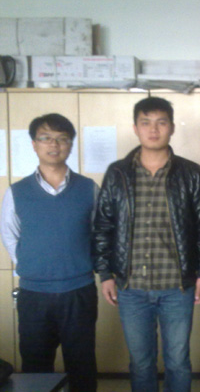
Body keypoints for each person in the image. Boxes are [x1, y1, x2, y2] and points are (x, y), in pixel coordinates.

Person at [92, 96, 200, 392]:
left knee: (178, 361)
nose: (153, 130)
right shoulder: (118, 173)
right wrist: (105, 274)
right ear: (135, 128)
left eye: (161, 122)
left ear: (172, 127)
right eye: (146, 123)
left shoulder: (190, 172)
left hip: (177, 287)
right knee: (141, 363)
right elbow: (103, 226)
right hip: (131, 287)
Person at [0, 113, 98, 392]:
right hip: (34, 294)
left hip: (78, 291)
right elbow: (10, 234)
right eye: (45, 138)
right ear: (34, 144)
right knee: (35, 366)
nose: (53, 145)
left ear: (70, 145)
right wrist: (31, 266)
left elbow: (98, 232)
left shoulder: (89, 189)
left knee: (82, 364)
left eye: (62, 139)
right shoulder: (17, 191)